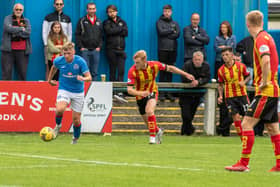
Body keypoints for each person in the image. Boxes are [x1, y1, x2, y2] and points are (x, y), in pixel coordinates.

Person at [225, 10, 280, 172]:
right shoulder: (267, 37)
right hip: (273, 90)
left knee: (246, 124)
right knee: (272, 128)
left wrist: (263, 82)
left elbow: (266, 60)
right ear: (262, 22)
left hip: (266, 91)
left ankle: (243, 163)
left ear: (247, 24)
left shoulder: (260, 39)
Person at [127, 50, 194, 144]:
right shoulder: (132, 71)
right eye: (135, 62)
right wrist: (141, 93)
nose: (136, 64)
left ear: (144, 60)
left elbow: (170, 68)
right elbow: (129, 90)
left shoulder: (154, 65)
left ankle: (152, 138)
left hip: (152, 91)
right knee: (149, 123)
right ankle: (158, 131)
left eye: (138, 62)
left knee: (149, 110)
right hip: (140, 96)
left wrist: (186, 74)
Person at [48, 42, 92, 144]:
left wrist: (83, 78)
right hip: (64, 89)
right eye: (65, 53)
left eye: (69, 53)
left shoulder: (80, 62)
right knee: (60, 109)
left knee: (76, 120)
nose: (66, 56)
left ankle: (75, 139)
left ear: (73, 52)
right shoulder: (59, 60)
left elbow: (89, 77)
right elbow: (53, 67)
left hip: (78, 92)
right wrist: (49, 80)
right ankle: (58, 126)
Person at [217, 47, 251, 139]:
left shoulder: (241, 66)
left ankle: (248, 135)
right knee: (235, 117)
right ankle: (242, 139)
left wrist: (244, 82)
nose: (225, 57)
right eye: (223, 55)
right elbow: (220, 84)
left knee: (247, 117)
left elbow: (248, 76)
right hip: (229, 97)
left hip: (242, 95)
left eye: (227, 54)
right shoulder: (221, 70)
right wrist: (220, 96)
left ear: (232, 55)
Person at [179, 51, 210, 135]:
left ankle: (185, 133)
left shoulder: (206, 66)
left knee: (190, 116)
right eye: (196, 60)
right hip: (185, 94)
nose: (197, 61)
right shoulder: (187, 65)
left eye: (199, 60)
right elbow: (183, 77)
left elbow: (207, 78)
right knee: (186, 116)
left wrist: (198, 82)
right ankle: (190, 129)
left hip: (197, 95)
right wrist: (192, 81)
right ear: (193, 59)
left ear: (202, 60)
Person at [214, 21, 236, 136]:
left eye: (225, 27)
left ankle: (222, 128)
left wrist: (224, 47)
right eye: (221, 27)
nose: (223, 29)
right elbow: (217, 49)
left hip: (236, 93)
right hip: (225, 91)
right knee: (223, 109)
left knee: (235, 113)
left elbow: (232, 48)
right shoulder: (217, 38)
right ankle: (224, 131)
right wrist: (220, 95)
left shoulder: (233, 37)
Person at [103, 4, 128, 101]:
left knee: (121, 71)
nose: (111, 13)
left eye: (113, 11)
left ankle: (120, 92)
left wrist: (116, 30)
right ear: (107, 13)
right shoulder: (106, 22)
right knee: (112, 70)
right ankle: (113, 92)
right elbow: (109, 32)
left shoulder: (122, 21)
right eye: (110, 12)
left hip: (121, 50)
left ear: (116, 12)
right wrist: (119, 29)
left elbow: (126, 33)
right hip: (111, 50)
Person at [1, 3, 31, 80]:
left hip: (22, 50)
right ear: (13, 10)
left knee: (22, 74)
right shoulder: (7, 18)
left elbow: (28, 33)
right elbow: (8, 28)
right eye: (16, 9)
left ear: (23, 11)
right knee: (6, 74)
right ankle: (6, 91)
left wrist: (14, 31)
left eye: (20, 10)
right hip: (8, 51)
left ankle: (22, 91)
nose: (18, 11)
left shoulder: (26, 21)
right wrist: (21, 29)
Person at [42, 0, 72, 79]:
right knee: (49, 68)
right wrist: (46, 44)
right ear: (54, 5)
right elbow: (44, 31)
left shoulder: (67, 18)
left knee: (63, 69)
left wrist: (66, 47)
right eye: (57, 4)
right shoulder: (48, 17)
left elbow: (69, 33)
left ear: (63, 5)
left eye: (60, 4)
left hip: (64, 48)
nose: (59, 5)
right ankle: (48, 86)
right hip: (50, 48)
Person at [156, 4, 180, 102]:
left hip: (173, 49)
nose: (167, 13)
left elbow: (177, 34)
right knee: (162, 70)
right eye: (165, 11)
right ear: (163, 12)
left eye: (168, 11)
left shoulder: (175, 23)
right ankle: (161, 93)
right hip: (162, 49)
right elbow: (161, 32)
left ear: (171, 12)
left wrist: (168, 33)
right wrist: (171, 31)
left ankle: (169, 93)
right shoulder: (159, 22)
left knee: (170, 71)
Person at [75, 2, 103, 81]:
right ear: (87, 10)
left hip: (95, 50)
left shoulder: (99, 21)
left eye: (93, 9)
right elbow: (77, 34)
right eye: (90, 9)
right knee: (85, 72)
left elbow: (102, 36)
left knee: (94, 72)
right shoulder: (82, 20)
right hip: (85, 50)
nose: (92, 11)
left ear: (96, 9)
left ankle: (94, 90)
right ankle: (85, 89)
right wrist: (81, 47)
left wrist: (99, 46)